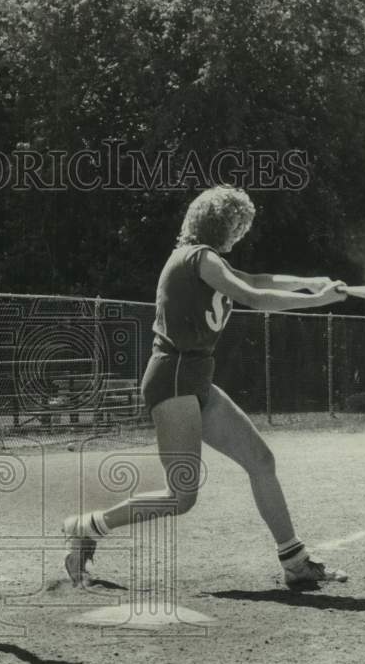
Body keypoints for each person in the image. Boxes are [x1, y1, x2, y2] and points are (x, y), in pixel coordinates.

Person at [62, 186, 350, 590]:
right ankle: (87, 527)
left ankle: (295, 560)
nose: (240, 233)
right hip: (174, 377)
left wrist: (307, 282)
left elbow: (253, 278)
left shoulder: (208, 261)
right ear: (220, 224)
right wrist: (318, 300)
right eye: (237, 225)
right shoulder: (199, 257)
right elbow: (252, 295)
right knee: (182, 497)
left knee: (260, 461)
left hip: (194, 377)